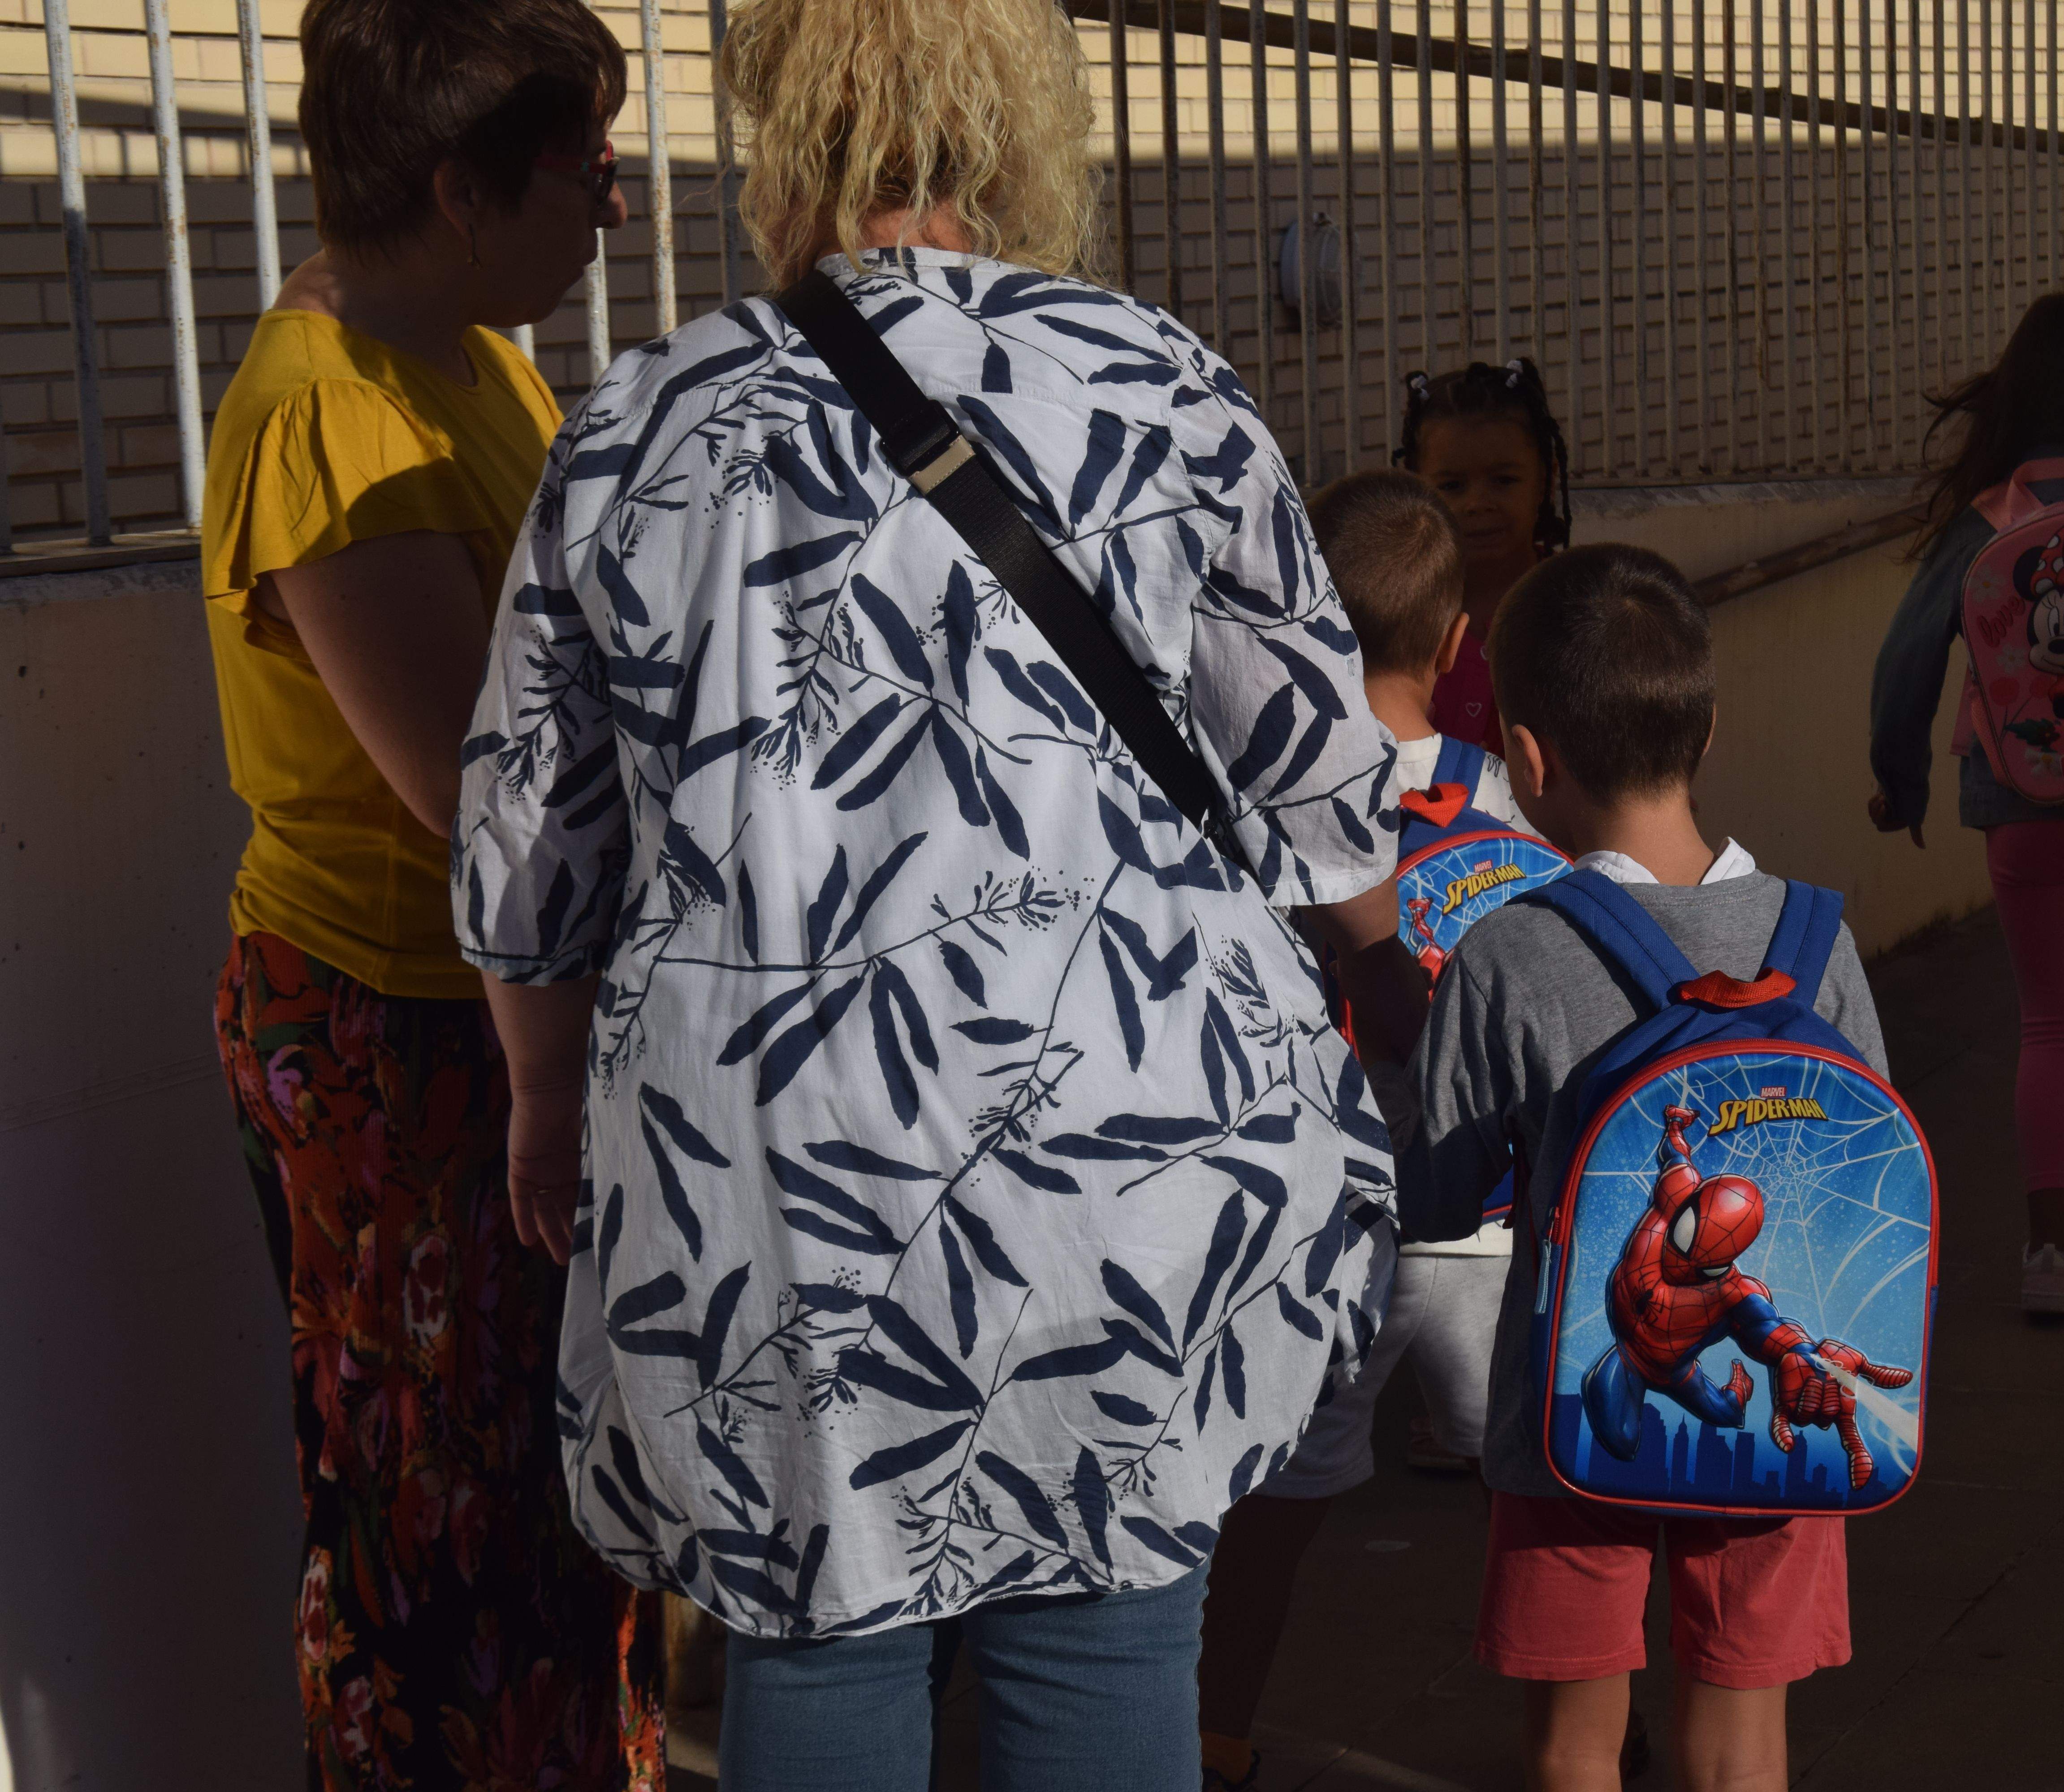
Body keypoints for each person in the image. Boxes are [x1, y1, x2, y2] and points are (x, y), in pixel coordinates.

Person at [449, 0, 1425, 1787]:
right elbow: (1324, 797)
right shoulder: (1154, 382)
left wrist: (541, 1094)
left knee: (816, 1632)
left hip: (773, 1161)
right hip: (1124, 1138)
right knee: (1110, 1625)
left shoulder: (648, 418)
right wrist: (1400, 990)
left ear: (782, 132)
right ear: (1023, 125)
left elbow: (530, 851)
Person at [198, 3, 659, 1785]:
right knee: (427, 1522)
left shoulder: (466, 355)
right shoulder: (331, 421)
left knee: (548, 1499)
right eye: (585, 168)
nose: (615, 204)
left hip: (506, 1015)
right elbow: (495, 796)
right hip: (402, 1034)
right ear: (465, 189)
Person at [1399, 545, 1887, 1792]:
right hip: (1769, 1443)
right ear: (1706, 731)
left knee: (1577, 1746)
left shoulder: (1508, 952)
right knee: (1743, 1746)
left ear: (1527, 759)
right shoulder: (1819, 938)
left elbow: (1440, 1194)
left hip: (1567, 1412)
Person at [1194, 471, 1533, 1792]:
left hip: (1316, 1215)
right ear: (1456, 644)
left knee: (1273, 1508)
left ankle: (1211, 1736)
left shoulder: (1262, 799)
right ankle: (1579, 1739)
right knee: (1534, 1495)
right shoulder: (1508, 796)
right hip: (1484, 1213)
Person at [1866, 289, 2064, 1316]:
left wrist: (1901, 781)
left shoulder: (1984, 517)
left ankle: (2051, 1253)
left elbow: (1905, 659)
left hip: (2018, 804)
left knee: (2050, 1023)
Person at [1396, 359, 1574, 755]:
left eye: (1503, 480)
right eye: (1452, 486)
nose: (1478, 503)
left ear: (1546, 480)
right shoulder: (1397, 613)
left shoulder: (1578, 611)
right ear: (1417, 487)